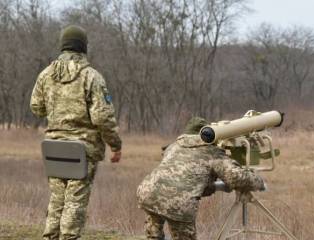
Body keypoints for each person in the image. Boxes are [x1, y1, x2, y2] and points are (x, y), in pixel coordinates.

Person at [30, 25, 122, 240]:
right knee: (75, 202)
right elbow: (102, 117)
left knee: (57, 200)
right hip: (81, 150)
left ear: (62, 45)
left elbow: (36, 107)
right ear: (83, 47)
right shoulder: (91, 77)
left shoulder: (45, 75)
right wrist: (116, 145)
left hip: (53, 148)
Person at [137, 117, 265, 240]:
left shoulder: (173, 147)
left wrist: (215, 187)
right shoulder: (211, 152)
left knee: (153, 234)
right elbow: (236, 177)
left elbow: (190, 179)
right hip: (179, 204)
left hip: (148, 193)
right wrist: (258, 182)